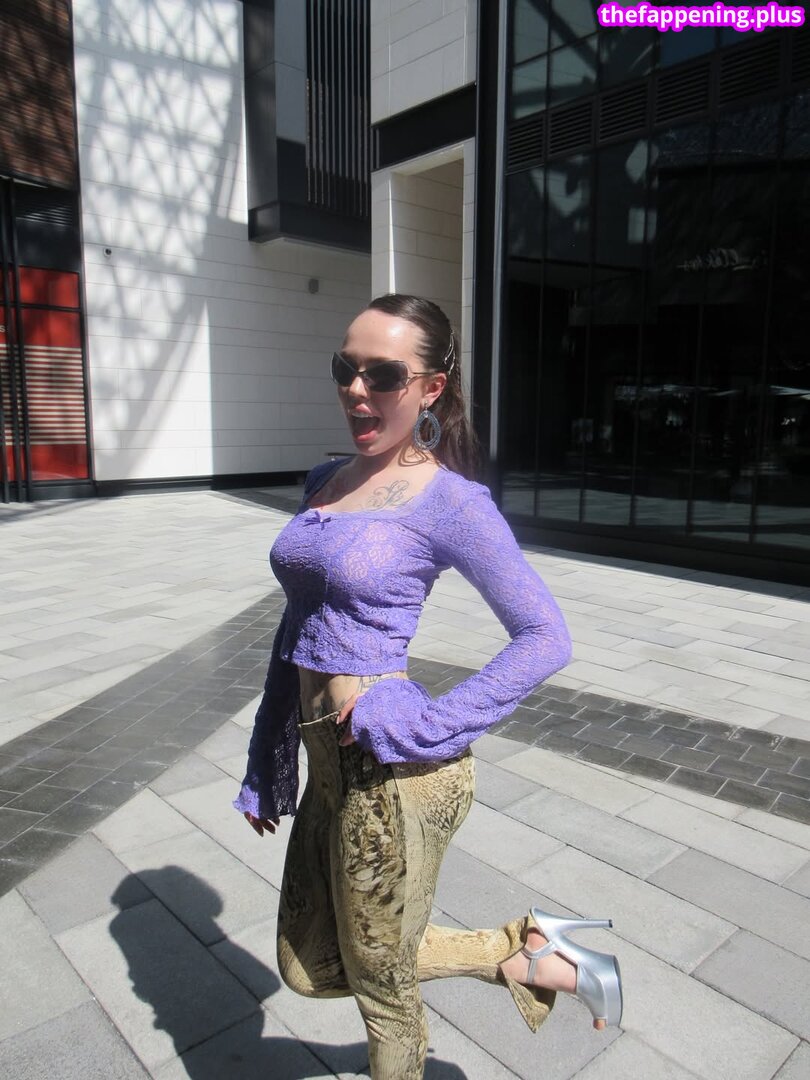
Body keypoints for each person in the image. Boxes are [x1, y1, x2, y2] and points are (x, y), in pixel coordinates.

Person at [234, 294, 623, 1079]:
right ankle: (524, 953)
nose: (356, 390)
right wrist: (266, 763)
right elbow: (294, 632)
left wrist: (420, 723)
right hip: (328, 768)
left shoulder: (450, 501)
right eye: (345, 369)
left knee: (383, 991)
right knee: (308, 963)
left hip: (396, 770)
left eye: (382, 375)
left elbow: (545, 636)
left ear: (431, 388)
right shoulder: (325, 481)